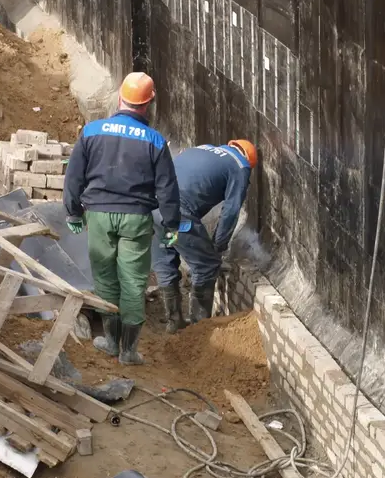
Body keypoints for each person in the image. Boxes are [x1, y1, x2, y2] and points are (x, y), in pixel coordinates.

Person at [63, 72, 180, 365]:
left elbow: (74, 177)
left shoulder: (91, 132)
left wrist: (73, 212)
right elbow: (167, 188)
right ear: (149, 103)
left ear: (119, 98)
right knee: (133, 283)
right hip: (136, 219)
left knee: (105, 281)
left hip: (99, 216)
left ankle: (111, 343)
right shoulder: (155, 141)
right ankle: (128, 352)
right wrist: (172, 225)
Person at [151, 139, 257, 333]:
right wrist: (218, 246)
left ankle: (174, 322)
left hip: (156, 212)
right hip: (178, 217)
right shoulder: (240, 165)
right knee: (206, 266)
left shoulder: (203, 148)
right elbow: (231, 212)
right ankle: (199, 330)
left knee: (166, 258)